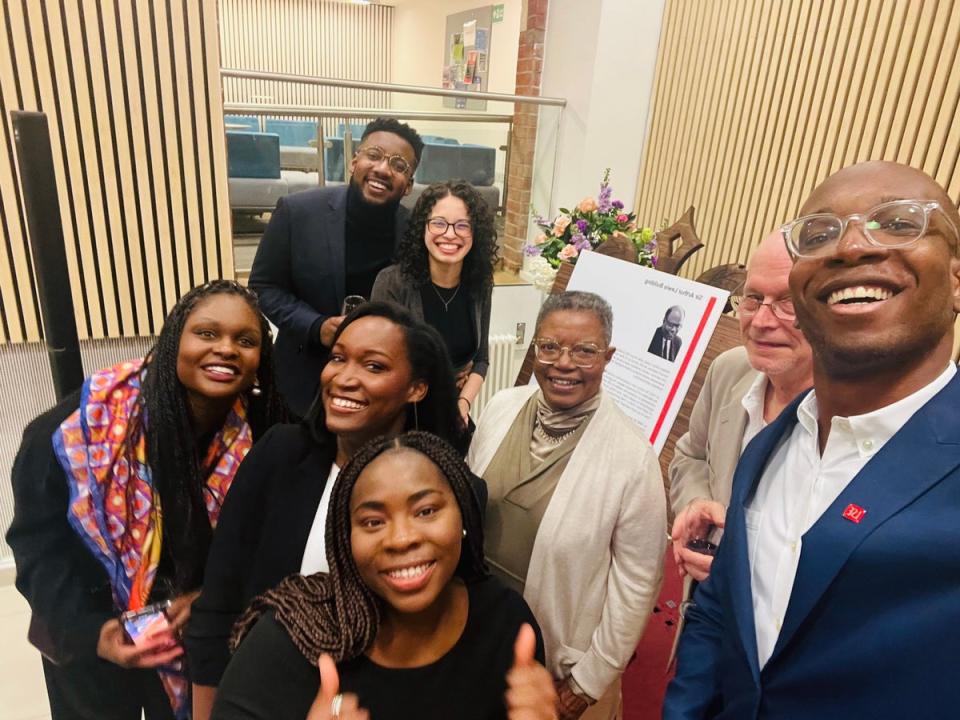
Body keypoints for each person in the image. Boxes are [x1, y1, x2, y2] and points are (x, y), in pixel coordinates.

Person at [664, 161, 960, 718]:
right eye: (819, 234)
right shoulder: (770, 446)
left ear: (956, 279)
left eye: (898, 223)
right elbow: (720, 613)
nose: (850, 247)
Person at [6, 280, 283, 720]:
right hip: (90, 626)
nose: (226, 348)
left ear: (259, 362)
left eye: (245, 340)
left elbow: (274, 543)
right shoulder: (74, 430)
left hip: (196, 635)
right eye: (207, 333)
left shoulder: (267, 435)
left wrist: (217, 597)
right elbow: (39, 546)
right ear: (175, 339)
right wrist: (91, 633)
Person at [187, 303, 474, 719]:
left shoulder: (450, 490)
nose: (344, 377)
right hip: (263, 697)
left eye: (373, 366)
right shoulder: (279, 455)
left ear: (416, 388)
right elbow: (219, 600)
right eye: (338, 358)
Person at [209, 431, 544, 720]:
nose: (401, 539)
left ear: (464, 518)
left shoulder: (506, 625)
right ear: (345, 539)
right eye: (372, 522)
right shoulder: (292, 637)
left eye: (426, 511)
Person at [468, 291, 667, 720]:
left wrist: (588, 681)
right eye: (550, 346)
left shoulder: (632, 459)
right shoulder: (502, 408)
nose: (564, 363)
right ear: (535, 348)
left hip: (558, 667)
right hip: (479, 639)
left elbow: (637, 583)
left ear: (608, 357)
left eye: (585, 351)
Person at [249, 117, 424, 416]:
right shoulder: (298, 212)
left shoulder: (414, 231)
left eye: (398, 165)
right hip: (302, 381)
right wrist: (316, 326)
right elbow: (264, 287)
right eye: (374, 155)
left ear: (408, 184)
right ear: (355, 160)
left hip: (377, 390)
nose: (383, 169)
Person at [669, 231, 813, 585]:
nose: (761, 321)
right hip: (705, 605)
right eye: (752, 298)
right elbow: (691, 456)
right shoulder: (730, 369)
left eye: (788, 302)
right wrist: (695, 504)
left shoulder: (852, 414)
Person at [372, 180, 497, 424]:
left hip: (451, 413)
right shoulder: (392, 283)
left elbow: (481, 360)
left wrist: (463, 403)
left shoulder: (480, 284)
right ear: (423, 228)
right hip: (397, 417)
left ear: (476, 232)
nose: (450, 234)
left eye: (463, 225)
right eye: (439, 223)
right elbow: (378, 364)